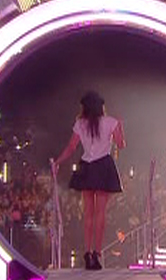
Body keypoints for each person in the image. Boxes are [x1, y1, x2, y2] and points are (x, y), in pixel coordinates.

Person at [52, 91, 125, 270]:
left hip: (87, 166)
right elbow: (121, 145)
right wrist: (121, 126)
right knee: (100, 214)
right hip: (103, 165)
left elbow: (71, 147)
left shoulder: (80, 124)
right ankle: (97, 254)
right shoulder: (110, 122)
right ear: (101, 107)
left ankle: (87, 251)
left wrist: (58, 162)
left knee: (88, 214)